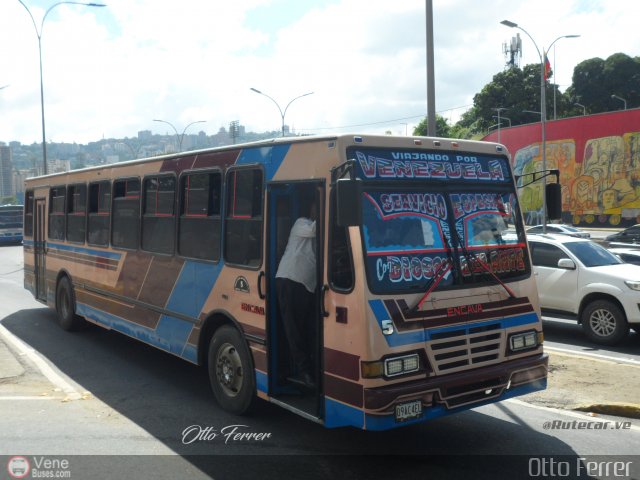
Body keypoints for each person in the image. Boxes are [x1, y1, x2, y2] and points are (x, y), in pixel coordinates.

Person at [275, 196, 317, 388]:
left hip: (306, 286)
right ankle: (302, 372)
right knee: (293, 331)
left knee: (303, 330)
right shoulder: (301, 223)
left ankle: (306, 369)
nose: (318, 212)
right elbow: (318, 228)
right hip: (289, 280)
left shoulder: (318, 236)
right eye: (317, 208)